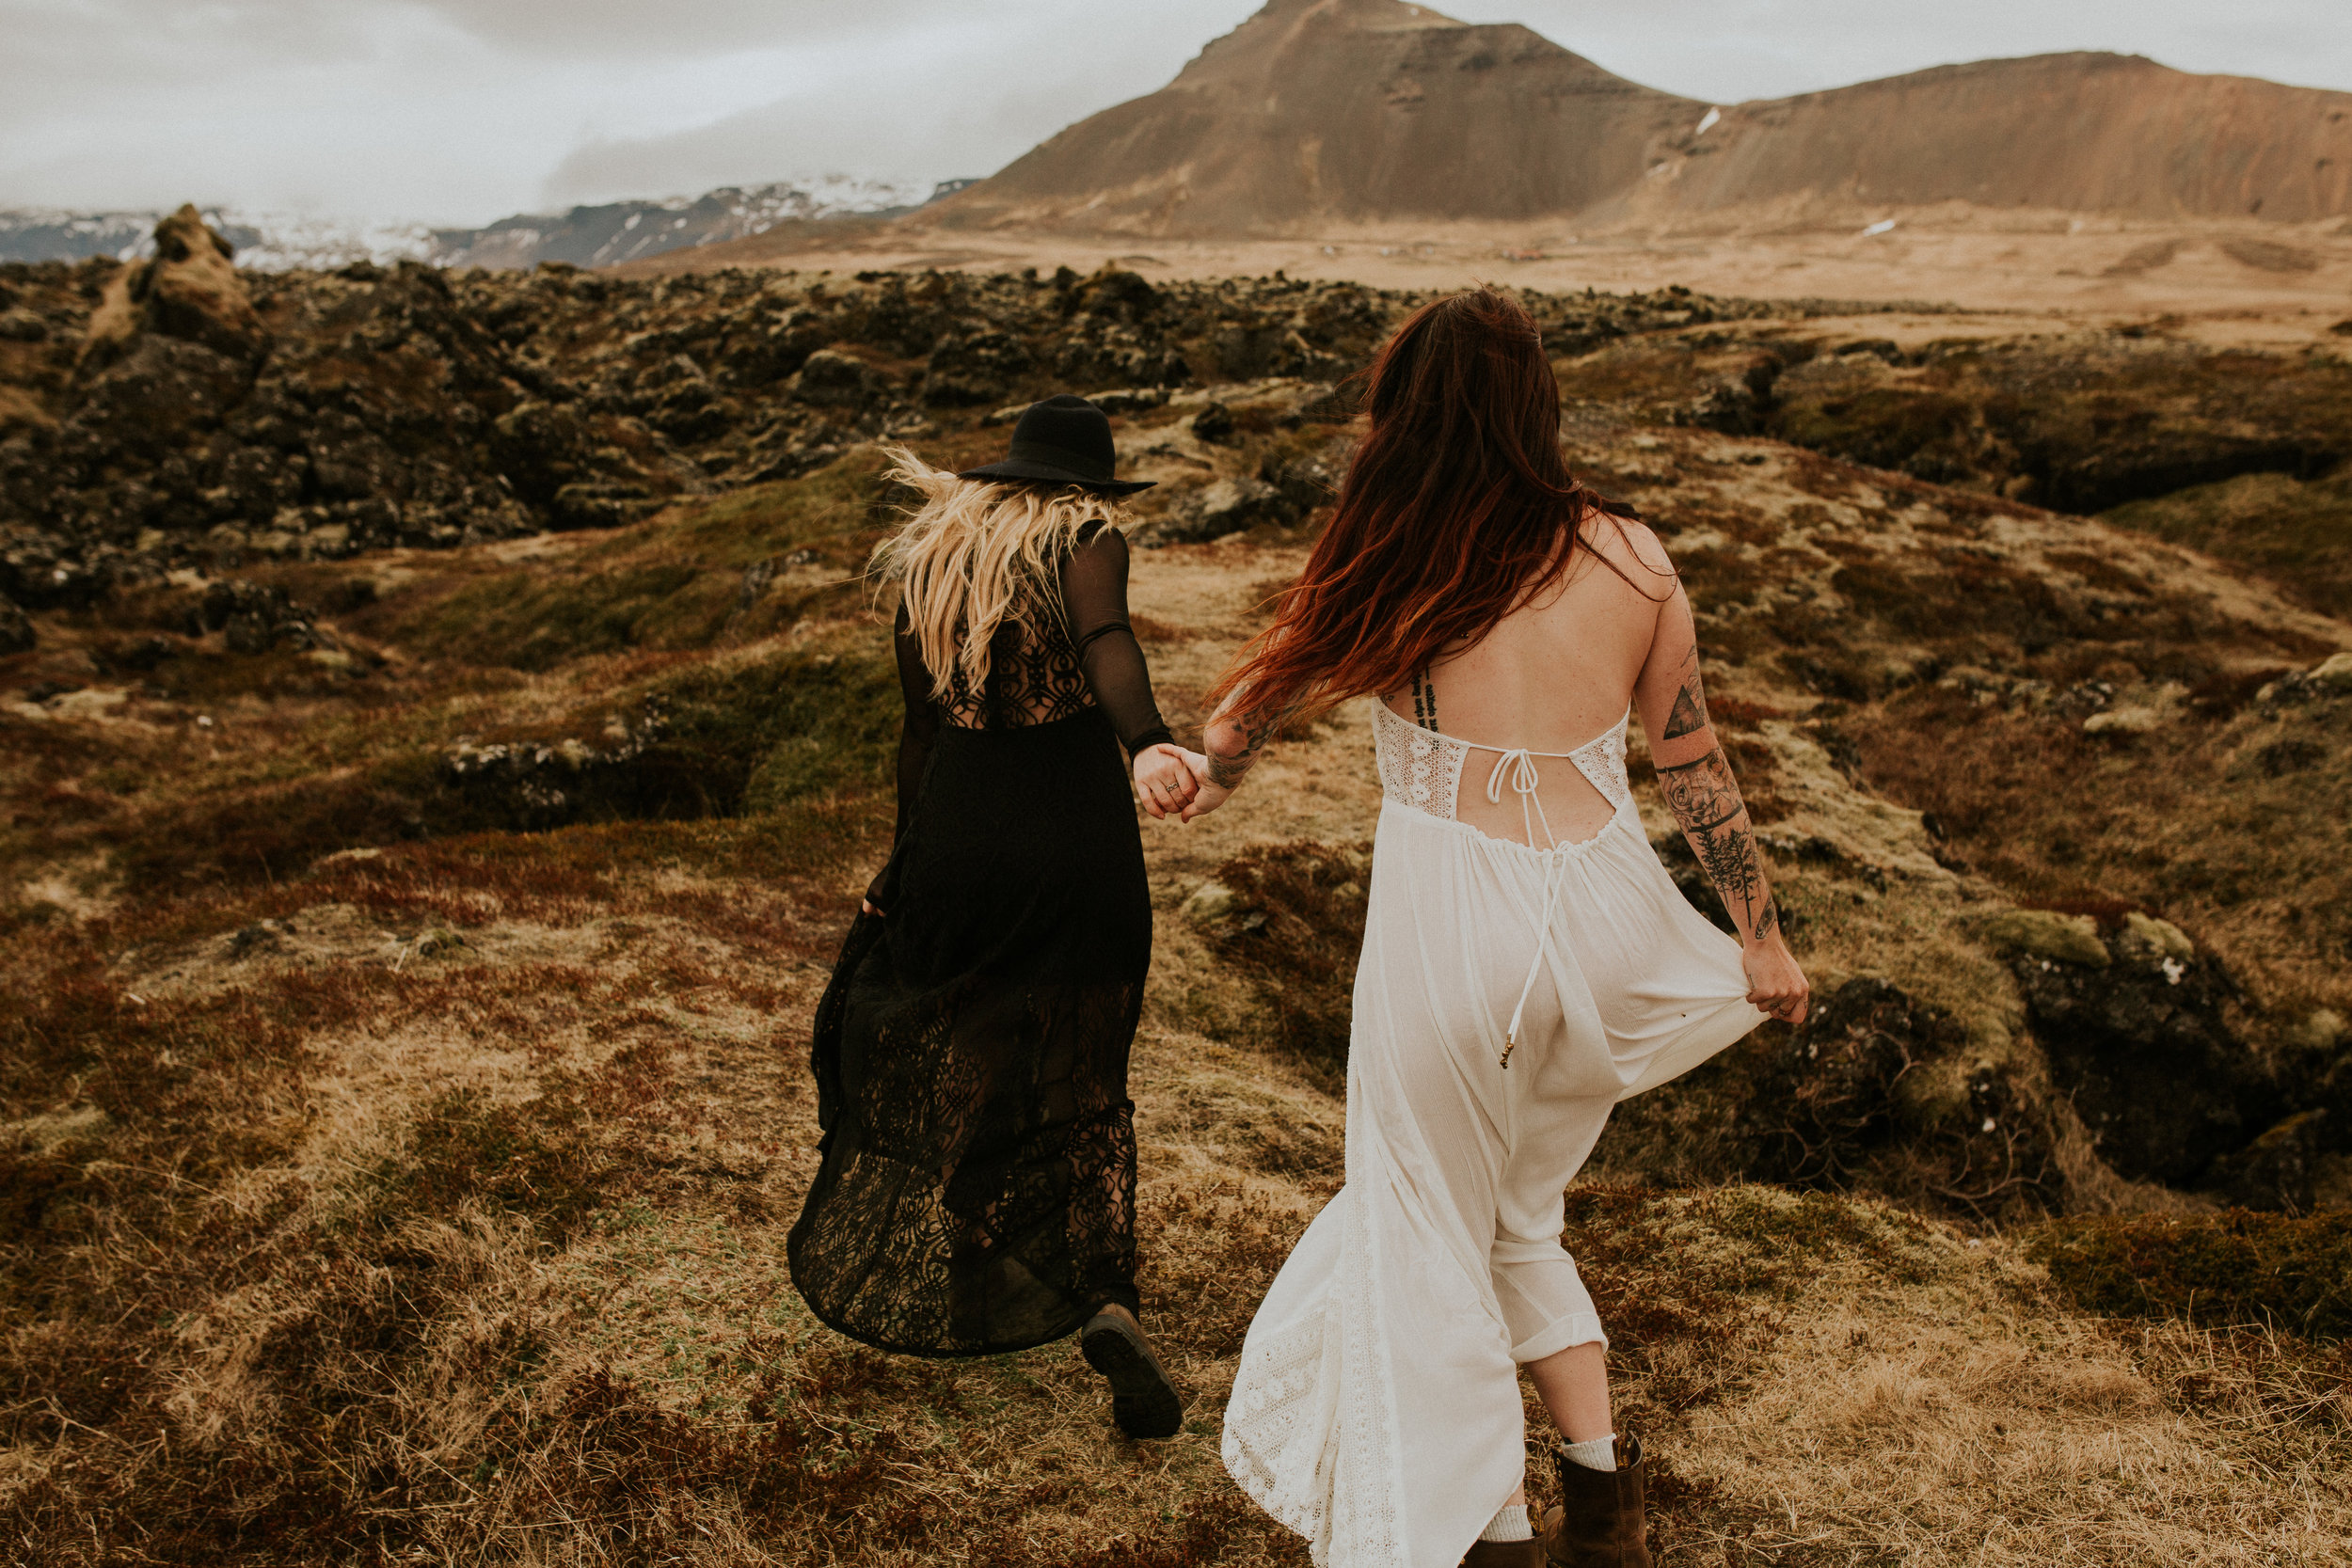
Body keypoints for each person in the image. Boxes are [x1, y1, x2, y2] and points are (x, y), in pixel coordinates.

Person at [1186, 291, 1810, 1567]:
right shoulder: (1637, 558)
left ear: (1410, 412)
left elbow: (1270, 687)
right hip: (1601, 921)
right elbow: (1694, 762)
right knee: (1519, 1217)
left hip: (1453, 923)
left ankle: (1496, 1535)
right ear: (1539, 406)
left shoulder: (1403, 545)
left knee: (1422, 1230)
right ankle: (1601, 1503)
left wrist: (1205, 765)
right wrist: (1760, 934)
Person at [787, 395, 1197, 1439]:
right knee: (1087, 1064)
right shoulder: (1086, 537)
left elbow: (919, 734)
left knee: (969, 1038)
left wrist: (901, 859)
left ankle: (978, 1280)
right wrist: (1146, 740)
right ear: (1084, 488)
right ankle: (1105, 1295)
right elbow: (1103, 635)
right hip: (1072, 837)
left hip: (963, 831)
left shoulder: (935, 559)